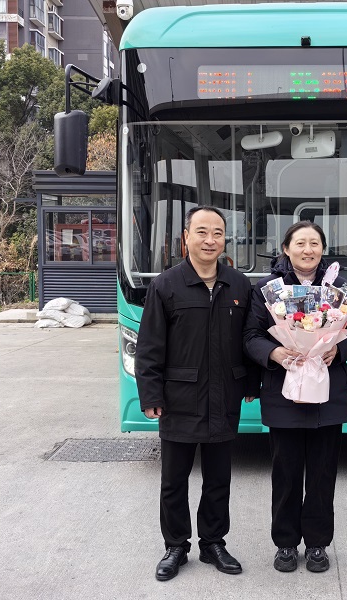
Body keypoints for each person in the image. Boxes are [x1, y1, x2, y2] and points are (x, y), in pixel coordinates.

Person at [135, 206, 259, 582]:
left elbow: (250, 339)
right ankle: (176, 545)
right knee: (174, 480)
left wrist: (251, 383)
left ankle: (213, 542)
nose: (210, 240)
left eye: (218, 233)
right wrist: (151, 394)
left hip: (224, 397)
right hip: (179, 398)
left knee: (219, 478)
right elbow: (149, 347)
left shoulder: (239, 285)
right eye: (202, 232)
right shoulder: (166, 285)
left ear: (225, 239)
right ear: (186, 237)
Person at [244, 221, 347, 574]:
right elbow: (250, 335)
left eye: (314, 243)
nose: (307, 250)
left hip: (329, 394)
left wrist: (338, 350)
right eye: (300, 243)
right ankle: (285, 543)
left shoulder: (340, 290)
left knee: (323, 475)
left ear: (322, 249)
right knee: (286, 473)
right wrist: (275, 353)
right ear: (286, 248)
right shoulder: (268, 290)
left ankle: (317, 544)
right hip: (284, 393)